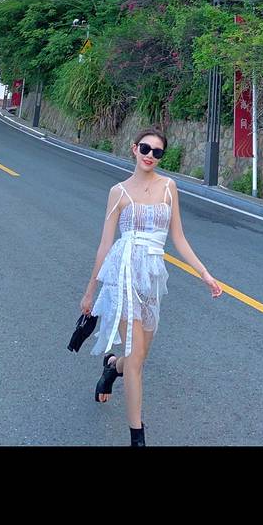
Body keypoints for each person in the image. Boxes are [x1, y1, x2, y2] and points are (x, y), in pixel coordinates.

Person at [80, 126, 223, 446]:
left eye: (157, 152)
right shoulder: (118, 192)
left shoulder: (169, 188)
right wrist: (91, 291)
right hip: (123, 274)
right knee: (135, 357)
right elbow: (105, 245)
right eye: (145, 149)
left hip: (152, 277)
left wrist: (204, 273)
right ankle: (137, 436)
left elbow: (179, 238)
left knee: (138, 358)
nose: (150, 156)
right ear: (134, 149)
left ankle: (111, 368)